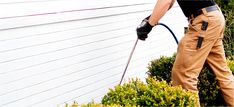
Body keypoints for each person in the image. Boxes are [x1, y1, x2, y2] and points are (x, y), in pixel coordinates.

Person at [136, 0, 234, 106]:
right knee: (222, 72)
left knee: (184, 75)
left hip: (205, 21)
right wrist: (151, 19)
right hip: (213, 16)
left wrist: (149, 25)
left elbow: (166, 2)